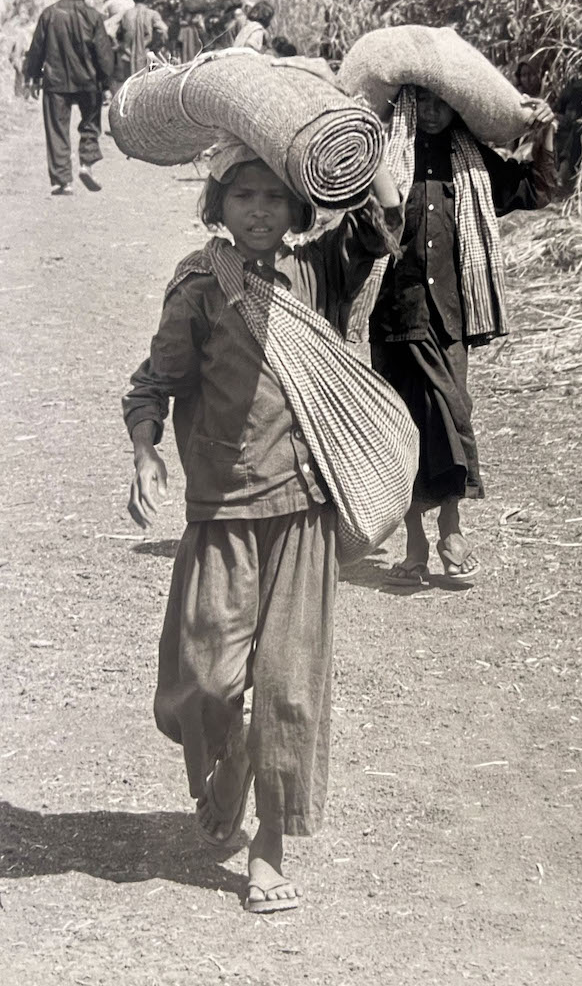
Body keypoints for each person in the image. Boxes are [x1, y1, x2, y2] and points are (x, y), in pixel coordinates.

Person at [122, 154, 404, 913]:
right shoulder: (199, 287)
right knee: (207, 682)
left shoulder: (318, 273)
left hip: (305, 504)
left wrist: (359, 145)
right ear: (219, 203)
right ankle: (229, 755)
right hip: (223, 508)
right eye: (244, 197)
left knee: (289, 690)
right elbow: (156, 381)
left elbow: (383, 226)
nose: (260, 212)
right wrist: (147, 452)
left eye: (276, 198)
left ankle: (268, 849)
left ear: (298, 208)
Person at [368, 85, 556, 587]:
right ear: (407, 104)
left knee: (452, 415)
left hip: (450, 318)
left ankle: (451, 522)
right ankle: (413, 543)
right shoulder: (386, 158)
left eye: (441, 103)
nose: (431, 113)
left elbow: (535, 190)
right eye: (421, 102)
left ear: (458, 106)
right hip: (392, 317)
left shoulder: (473, 163)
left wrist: (544, 134)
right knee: (398, 430)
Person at [24, 0, 115, 195]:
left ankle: (63, 181)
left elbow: (36, 49)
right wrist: (107, 84)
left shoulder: (49, 14)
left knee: (57, 129)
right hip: (88, 82)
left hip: (55, 84)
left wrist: (31, 77)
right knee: (90, 124)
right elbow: (104, 55)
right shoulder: (93, 17)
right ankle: (86, 163)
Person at [119, 0, 169, 75]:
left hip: (128, 59)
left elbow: (116, 33)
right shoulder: (152, 14)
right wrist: (157, 47)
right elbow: (164, 30)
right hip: (147, 57)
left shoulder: (126, 15)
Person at [6, 0, 36, 98]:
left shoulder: (32, 28)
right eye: (20, 12)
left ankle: (27, 96)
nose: (21, 15)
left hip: (29, 57)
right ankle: (19, 96)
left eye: (24, 12)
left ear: (29, 14)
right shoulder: (16, 27)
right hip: (18, 57)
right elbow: (12, 45)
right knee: (19, 78)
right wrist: (13, 56)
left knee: (27, 79)